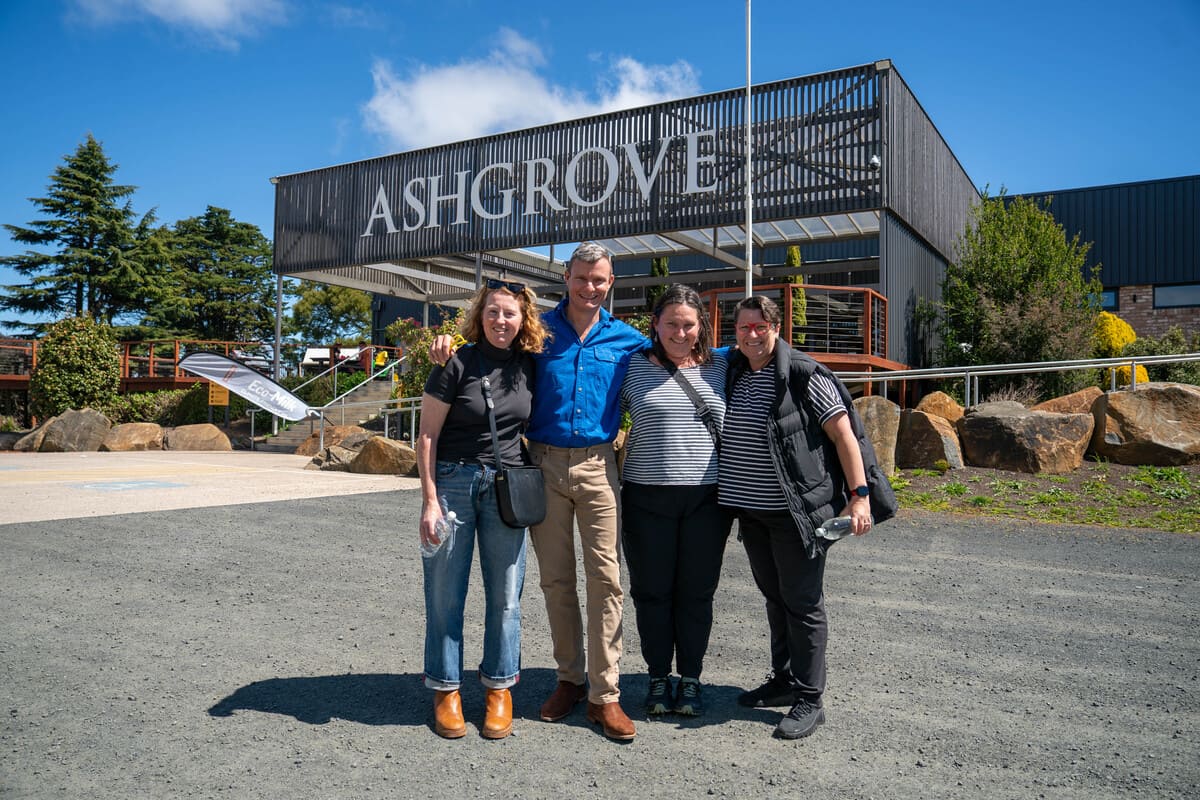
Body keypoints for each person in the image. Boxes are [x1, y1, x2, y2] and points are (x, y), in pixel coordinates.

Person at [432, 243, 649, 740]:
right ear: (567, 278)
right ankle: (569, 679)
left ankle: (605, 694)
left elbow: (682, 352)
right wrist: (442, 345)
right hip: (541, 466)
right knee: (555, 580)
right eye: (580, 278)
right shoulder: (539, 334)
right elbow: (488, 345)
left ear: (610, 282)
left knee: (607, 580)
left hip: (599, 468)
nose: (589, 287)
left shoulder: (627, 340)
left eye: (599, 280)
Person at [718, 295, 874, 740]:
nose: (751, 335)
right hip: (753, 514)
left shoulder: (804, 373)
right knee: (776, 597)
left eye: (760, 327)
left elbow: (844, 434)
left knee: (803, 604)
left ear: (776, 327)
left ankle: (811, 698)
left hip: (796, 515)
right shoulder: (735, 370)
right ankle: (784, 680)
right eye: (744, 327)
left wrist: (859, 497)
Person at [416, 279, 548, 740]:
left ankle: (499, 688)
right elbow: (427, 435)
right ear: (480, 315)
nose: (500, 321)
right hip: (453, 484)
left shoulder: (530, 366)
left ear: (523, 319)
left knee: (506, 598)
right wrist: (429, 500)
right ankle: (446, 689)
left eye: (509, 313)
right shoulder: (455, 361)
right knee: (445, 595)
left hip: (506, 489)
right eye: (492, 312)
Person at [619, 284, 730, 718]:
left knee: (697, 592)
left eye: (688, 324)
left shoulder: (722, 365)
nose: (680, 333)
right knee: (652, 592)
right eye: (671, 324)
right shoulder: (630, 367)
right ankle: (657, 676)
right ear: (655, 324)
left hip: (708, 498)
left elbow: (772, 359)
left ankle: (691, 678)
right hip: (646, 497)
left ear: (700, 324)